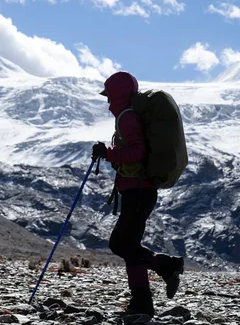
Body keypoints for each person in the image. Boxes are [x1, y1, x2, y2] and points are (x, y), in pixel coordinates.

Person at [92, 71, 184, 318]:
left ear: (117, 94)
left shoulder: (127, 118)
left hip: (139, 190)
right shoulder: (128, 116)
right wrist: (110, 152)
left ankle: (143, 302)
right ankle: (165, 267)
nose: (107, 101)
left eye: (109, 95)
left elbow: (138, 152)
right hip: (139, 190)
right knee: (123, 243)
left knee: (124, 244)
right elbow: (134, 152)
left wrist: (108, 154)